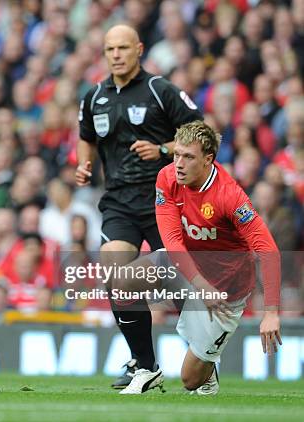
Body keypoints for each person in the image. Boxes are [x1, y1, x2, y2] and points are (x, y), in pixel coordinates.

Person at [112, 120, 281, 394]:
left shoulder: (230, 196)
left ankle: (208, 370)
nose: (178, 163)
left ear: (208, 159)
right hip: (188, 266)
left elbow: (268, 249)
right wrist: (200, 285)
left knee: (191, 381)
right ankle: (146, 367)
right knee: (123, 281)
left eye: (188, 157)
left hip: (226, 287)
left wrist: (271, 312)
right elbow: (172, 241)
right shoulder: (166, 178)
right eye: (177, 154)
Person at [76, 24, 203, 389]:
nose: (116, 54)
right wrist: (84, 165)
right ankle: (144, 365)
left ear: (139, 49)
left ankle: (204, 358)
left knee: (180, 285)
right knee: (116, 278)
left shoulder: (160, 90)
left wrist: (163, 149)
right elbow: (86, 137)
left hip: (163, 200)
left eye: (123, 48)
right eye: (109, 49)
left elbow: (199, 132)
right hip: (118, 202)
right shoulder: (94, 96)